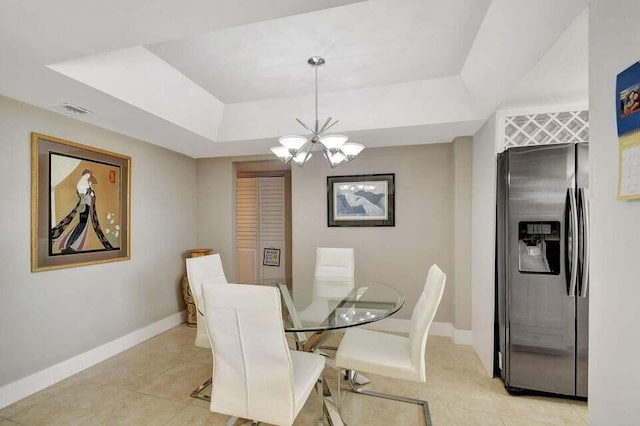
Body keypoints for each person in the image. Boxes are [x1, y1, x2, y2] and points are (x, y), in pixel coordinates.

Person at [50, 169, 114, 253]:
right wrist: (90, 188)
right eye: (87, 175)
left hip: (86, 207)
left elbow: (93, 184)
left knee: (83, 226)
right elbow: (86, 195)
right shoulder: (82, 184)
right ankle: (70, 245)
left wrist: (90, 187)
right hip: (85, 208)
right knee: (82, 226)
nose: (89, 177)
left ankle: (72, 245)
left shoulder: (85, 185)